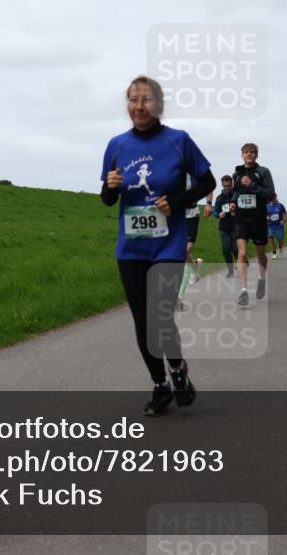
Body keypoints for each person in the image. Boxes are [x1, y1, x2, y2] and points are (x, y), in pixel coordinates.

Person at [101, 76, 215, 415]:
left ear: (159, 105)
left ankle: (177, 369)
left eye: (147, 99)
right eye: (133, 100)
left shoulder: (178, 141)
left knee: (160, 317)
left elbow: (207, 181)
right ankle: (159, 384)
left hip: (168, 244)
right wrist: (109, 186)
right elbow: (108, 198)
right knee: (142, 320)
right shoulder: (117, 145)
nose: (139, 106)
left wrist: (176, 202)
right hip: (131, 248)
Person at [231, 143, 275, 306]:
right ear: (242, 155)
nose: (249, 154)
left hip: (258, 219)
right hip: (241, 219)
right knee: (242, 253)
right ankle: (243, 291)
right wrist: (233, 202)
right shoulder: (236, 174)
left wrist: (252, 185)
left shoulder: (263, 172)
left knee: (260, 254)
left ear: (256, 155)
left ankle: (262, 278)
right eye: (246, 152)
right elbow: (236, 193)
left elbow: (270, 194)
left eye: (252, 152)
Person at [176, 173, 204, 309]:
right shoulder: (174, 172)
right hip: (178, 214)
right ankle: (194, 269)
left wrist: (209, 203)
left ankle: (179, 297)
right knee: (182, 252)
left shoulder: (195, 172)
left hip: (192, 214)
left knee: (185, 251)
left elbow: (209, 186)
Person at [209, 175, 237, 277]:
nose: (227, 188)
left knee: (235, 249)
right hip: (224, 228)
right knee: (226, 249)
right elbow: (215, 212)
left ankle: (243, 260)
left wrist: (236, 212)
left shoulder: (236, 196)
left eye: (229, 186)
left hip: (236, 227)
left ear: (232, 184)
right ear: (222, 185)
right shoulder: (219, 198)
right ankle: (230, 270)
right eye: (225, 186)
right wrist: (218, 215)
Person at [266, 194, 287, 259]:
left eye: (274, 198)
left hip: (279, 226)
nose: (273, 200)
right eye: (271, 199)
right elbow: (264, 215)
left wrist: (283, 220)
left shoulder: (280, 205)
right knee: (270, 238)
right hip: (270, 226)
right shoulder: (267, 206)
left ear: (275, 198)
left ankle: (280, 248)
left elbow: (285, 214)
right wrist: (267, 218)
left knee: (280, 239)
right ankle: (274, 253)